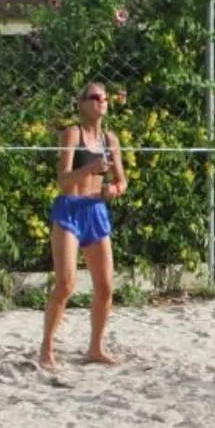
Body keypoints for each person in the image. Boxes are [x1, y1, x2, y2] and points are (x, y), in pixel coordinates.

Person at [39, 81, 128, 370]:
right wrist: (91, 168)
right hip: (70, 209)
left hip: (95, 209)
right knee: (66, 284)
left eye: (105, 98)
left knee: (105, 287)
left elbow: (122, 181)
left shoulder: (110, 139)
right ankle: (46, 348)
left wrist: (113, 190)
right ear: (81, 103)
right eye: (95, 97)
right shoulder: (72, 134)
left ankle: (95, 348)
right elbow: (62, 180)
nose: (101, 102)